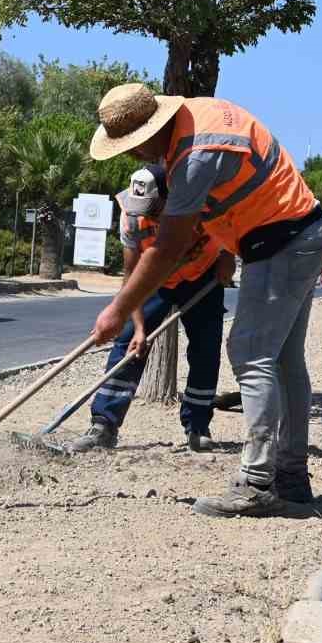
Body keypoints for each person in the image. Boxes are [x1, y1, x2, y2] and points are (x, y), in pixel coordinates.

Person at [87, 83, 322, 517]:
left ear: (149, 131)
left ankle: (258, 484)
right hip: (299, 233)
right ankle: (292, 479)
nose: (131, 156)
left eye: (130, 147)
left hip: (282, 241)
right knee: (284, 361)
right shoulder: (197, 117)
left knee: (251, 354)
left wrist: (118, 310)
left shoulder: (195, 156)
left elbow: (167, 247)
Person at [67, 164, 232, 454]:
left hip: (202, 275)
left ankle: (197, 427)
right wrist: (140, 328)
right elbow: (131, 276)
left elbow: (233, 223)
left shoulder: (203, 202)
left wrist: (227, 256)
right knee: (128, 344)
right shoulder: (131, 217)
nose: (146, 214)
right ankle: (104, 424)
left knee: (206, 350)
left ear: (171, 197)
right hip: (154, 280)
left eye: (153, 208)